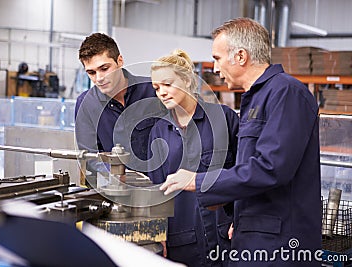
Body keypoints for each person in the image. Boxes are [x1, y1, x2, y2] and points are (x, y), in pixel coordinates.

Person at [159, 18, 322, 266]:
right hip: (252, 238)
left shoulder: (286, 93)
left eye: (217, 58)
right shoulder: (255, 99)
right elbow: (248, 169)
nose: (215, 68)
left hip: (280, 247)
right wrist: (229, 206)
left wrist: (198, 180)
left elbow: (272, 168)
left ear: (241, 56)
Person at [148, 49, 239, 266]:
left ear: (188, 80)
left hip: (226, 235)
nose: (162, 92)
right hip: (182, 239)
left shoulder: (223, 118)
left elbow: (245, 172)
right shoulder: (159, 131)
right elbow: (156, 191)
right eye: (157, 88)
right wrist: (158, 236)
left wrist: (241, 218)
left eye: (167, 84)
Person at [75, 33, 163, 177]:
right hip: (117, 189)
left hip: (161, 186)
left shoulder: (153, 90)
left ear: (120, 61)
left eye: (104, 68)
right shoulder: (86, 104)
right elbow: (89, 157)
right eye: (91, 72)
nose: (99, 78)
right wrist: (119, 175)